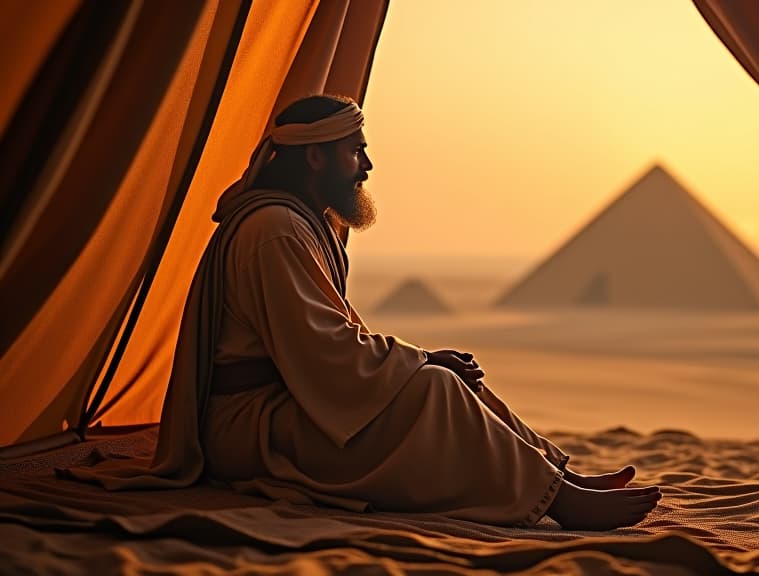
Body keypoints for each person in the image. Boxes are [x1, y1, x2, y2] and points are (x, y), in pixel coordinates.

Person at [72, 94, 661, 530]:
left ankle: (553, 478)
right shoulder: (274, 229)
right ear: (315, 160)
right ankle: (558, 503)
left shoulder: (298, 222)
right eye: (355, 150)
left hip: (287, 405)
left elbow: (328, 346)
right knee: (435, 388)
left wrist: (422, 362)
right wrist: (419, 361)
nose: (367, 165)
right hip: (250, 427)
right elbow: (323, 352)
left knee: (446, 379)